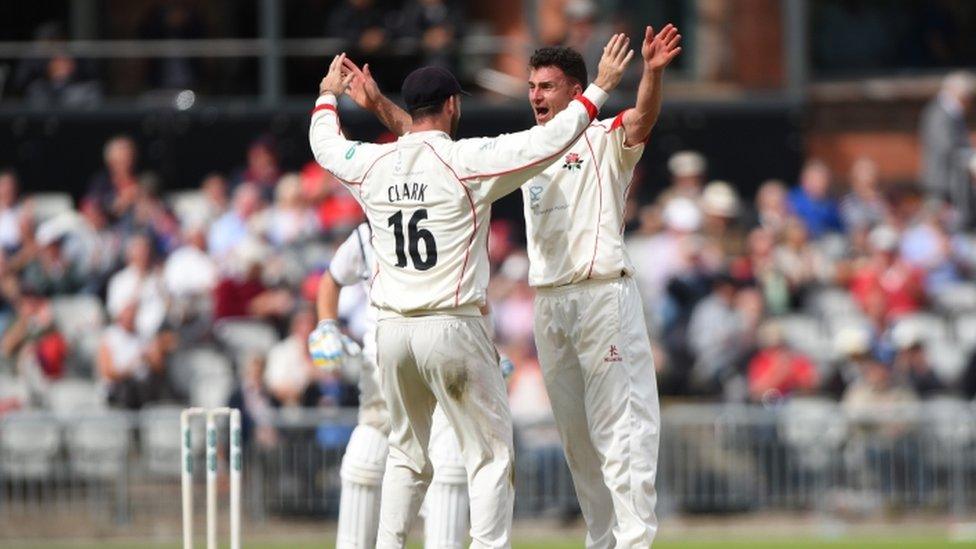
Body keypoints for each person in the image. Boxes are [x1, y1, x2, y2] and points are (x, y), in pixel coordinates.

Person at [344, 24, 677, 548]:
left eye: (546, 87)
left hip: (600, 293)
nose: (535, 96)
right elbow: (429, 144)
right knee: (577, 438)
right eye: (531, 87)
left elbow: (643, 118)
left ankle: (633, 542)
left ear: (574, 90)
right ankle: (602, 540)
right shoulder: (524, 150)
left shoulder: (601, 135)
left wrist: (652, 74)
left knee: (622, 433)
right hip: (549, 302)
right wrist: (379, 105)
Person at [309, 222, 476, 548]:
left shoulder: (452, 216)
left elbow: (476, 296)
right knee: (366, 458)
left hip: (443, 351)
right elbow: (331, 280)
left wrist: (487, 350)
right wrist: (326, 324)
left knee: (450, 463)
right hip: (384, 358)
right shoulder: (367, 231)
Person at [919, 72, 975, 204]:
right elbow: (945, 147)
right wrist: (971, 159)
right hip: (940, 184)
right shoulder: (938, 113)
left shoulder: (953, 113)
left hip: (954, 183)